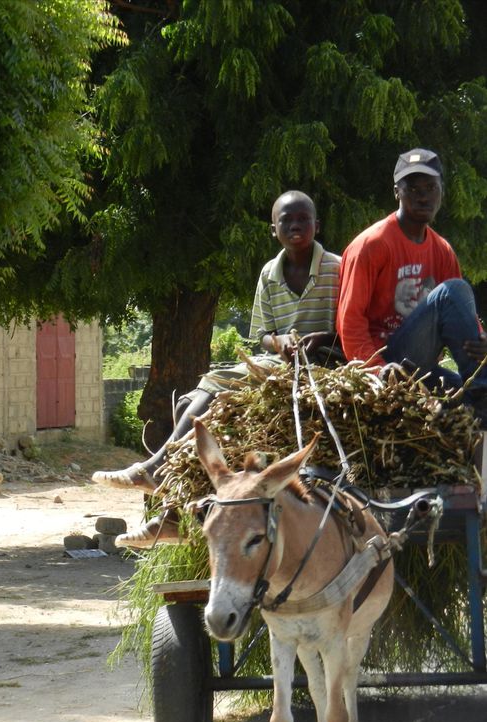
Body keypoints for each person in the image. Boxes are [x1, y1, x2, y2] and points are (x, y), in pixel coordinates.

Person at [93, 190, 341, 491]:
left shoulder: (337, 268)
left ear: (318, 224)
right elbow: (263, 334)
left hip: (326, 361)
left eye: (304, 219)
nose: (296, 226)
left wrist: (325, 337)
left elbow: (350, 323)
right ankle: (160, 467)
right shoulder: (268, 274)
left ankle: (155, 468)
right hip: (279, 361)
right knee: (209, 384)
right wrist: (279, 343)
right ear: (273, 229)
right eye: (286, 220)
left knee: (214, 390)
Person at [336, 148, 487, 411]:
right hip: (386, 360)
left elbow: (462, 317)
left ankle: (480, 394)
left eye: (431, 187)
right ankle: (484, 389)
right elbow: (349, 321)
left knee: (462, 398)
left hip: (421, 365)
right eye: (413, 189)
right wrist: (376, 372)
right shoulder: (372, 244)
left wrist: (481, 340)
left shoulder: (442, 250)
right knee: (453, 291)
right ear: (397, 192)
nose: (423, 197)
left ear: (441, 191)